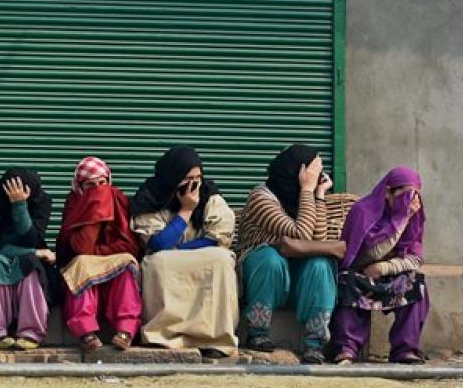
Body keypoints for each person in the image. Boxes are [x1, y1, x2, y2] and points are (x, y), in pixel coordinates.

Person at [130, 146, 239, 358]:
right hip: (164, 256)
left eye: (198, 177)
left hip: (200, 252)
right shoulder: (151, 198)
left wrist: (180, 249)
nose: (194, 185)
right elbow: (159, 243)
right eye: (188, 178)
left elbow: (216, 238)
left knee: (222, 259)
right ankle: (164, 335)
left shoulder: (210, 197)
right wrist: (186, 210)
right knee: (159, 262)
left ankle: (214, 338)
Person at [235, 144, 339, 364]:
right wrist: (308, 191)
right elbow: (300, 234)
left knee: (320, 264)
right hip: (265, 276)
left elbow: (316, 240)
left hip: (296, 277)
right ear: (298, 173)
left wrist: (318, 194)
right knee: (270, 259)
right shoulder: (261, 199)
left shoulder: (307, 196)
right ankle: (257, 332)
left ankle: (314, 343)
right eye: (314, 172)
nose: (319, 176)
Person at [331, 167, 429, 365]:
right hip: (359, 270)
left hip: (387, 271)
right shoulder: (362, 211)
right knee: (347, 282)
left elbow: (415, 258)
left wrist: (384, 268)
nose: (412, 203)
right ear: (387, 192)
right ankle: (347, 348)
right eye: (405, 196)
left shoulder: (413, 216)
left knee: (416, 284)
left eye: (415, 196)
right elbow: (365, 254)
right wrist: (400, 219)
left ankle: (405, 349)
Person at [57, 157, 143, 352]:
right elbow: (79, 247)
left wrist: (99, 253)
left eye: (102, 184)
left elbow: (128, 245)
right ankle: (85, 331)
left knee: (126, 265)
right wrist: (95, 211)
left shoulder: (118, 199)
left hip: (111, 260)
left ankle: (126, 329)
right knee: (82, 264)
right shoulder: (74, 204)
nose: (98, 190)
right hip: (82, 261)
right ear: (80, 187)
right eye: (90, 185)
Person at [0, 169, 56, 350]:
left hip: (29, 255)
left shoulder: (41, 201)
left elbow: (33, 238)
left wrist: (19, 206)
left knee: (29, 264)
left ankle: (31, 332)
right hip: (0, 253)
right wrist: (34, 252)